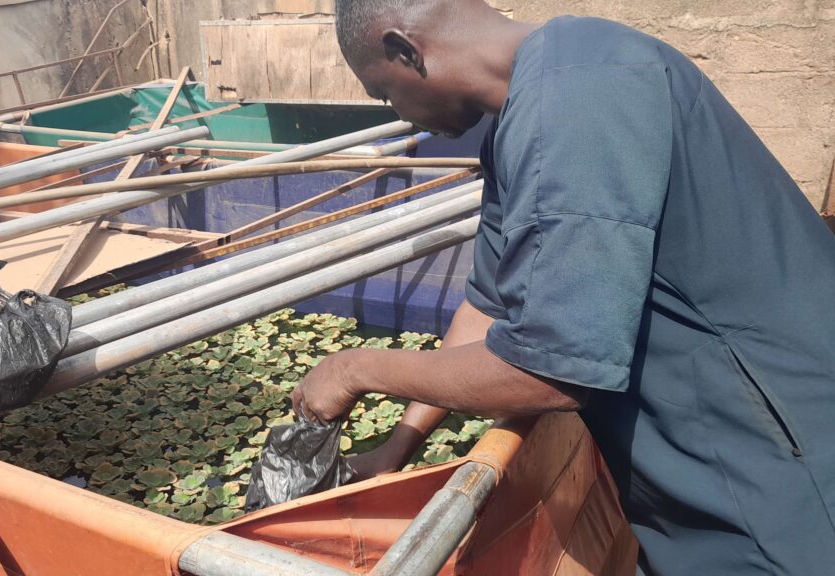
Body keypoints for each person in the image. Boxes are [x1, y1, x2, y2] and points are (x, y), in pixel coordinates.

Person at [290, 1, 835, 574]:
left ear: (405, 50)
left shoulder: (580, 98)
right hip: (700, 460)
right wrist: (398, 446)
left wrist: (355, 369)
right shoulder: (523, 114)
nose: (399, 114)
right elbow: (487, 304)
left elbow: (551, 370)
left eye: (384, 94)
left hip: (777, 462)